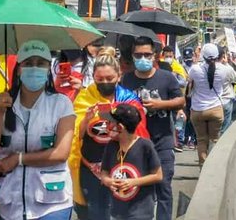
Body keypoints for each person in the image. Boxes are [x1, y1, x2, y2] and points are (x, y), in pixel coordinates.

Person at [0, 40, 75, 220]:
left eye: (40, 64)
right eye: (28, 63)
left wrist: (19, 159)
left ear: (49, 68)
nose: (34, 68)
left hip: (51, 203)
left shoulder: (61, 104)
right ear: (19, 68)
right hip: (8, 201)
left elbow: (61, 153)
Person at [70, 48, 148, 220]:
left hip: (121, 169)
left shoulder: (129, 100)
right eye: (100, 79)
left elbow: (139, 136)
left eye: (109, 78)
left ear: (119, 76)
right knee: (93, 214)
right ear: (93, 77)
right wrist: (86, 120)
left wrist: (119, 121)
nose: (104, 82)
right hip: (90, 169)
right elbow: (76, 135)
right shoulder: (85, 97)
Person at [121, 36, 185, 220]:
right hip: (136, 144)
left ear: (154, 55)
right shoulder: (126, 80)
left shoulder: (166, 78)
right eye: (138, 55)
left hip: (162, 141)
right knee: (137, 187)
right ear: (132, 56)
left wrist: (161, 105)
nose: (142, 58)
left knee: (164, 186)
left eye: (147, 54)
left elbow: (180, 100)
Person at [100, 103, 162, 220]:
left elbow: (158, 176)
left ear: (120, 127)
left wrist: (134, 182)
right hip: (117, 211)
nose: (106, 125)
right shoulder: (111, 146)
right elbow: (104, 173)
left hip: (141, 213)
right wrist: (108, 181)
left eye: (110, 122)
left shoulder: (145, 145)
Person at [187, 43, 236, 166]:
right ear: (218, 56)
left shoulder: (195, 69)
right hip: (216, 109)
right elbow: (235, 77)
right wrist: (226, 62)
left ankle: (203, 167)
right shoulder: (224, 69)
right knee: (214, 139)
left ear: (202, 56)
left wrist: (196, 60)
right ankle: (214, 166)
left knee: (201, 140)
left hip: (197, 110)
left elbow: (189, 80)